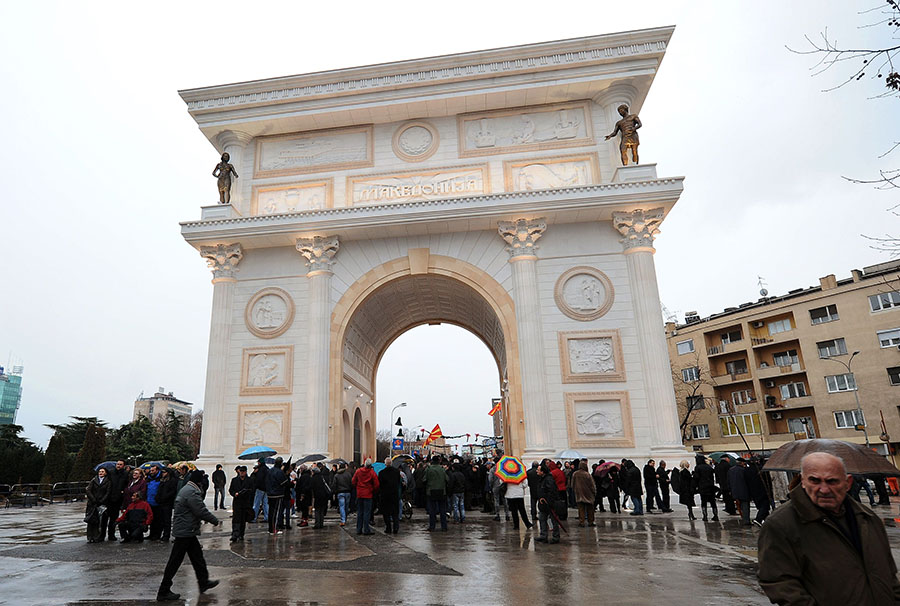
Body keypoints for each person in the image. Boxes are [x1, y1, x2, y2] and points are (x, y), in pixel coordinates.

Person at [758, 452, 900, 605]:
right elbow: (779, 583)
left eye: (832, 481)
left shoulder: (868, 519)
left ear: (848, 483)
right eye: (815, 480)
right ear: (803, 481)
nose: (824, 489)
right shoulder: (781, 523)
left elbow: (889, 575)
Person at [156, 470, 220, 602]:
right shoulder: (191, 492)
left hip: (187, 530)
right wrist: (215, 520)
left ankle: (203, 582)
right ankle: (163, 590)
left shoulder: (188, 488)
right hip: (185, 531)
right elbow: (200, 510)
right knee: (175, 561)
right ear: (199, 481)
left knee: (198, 558)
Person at [535, 460, 561, 544]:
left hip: (548, 503)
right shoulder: (542, 479)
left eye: (538, 470)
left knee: (553, 520)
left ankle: (556, 537)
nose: (537, 471)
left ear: (543, 472)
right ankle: (543, 536)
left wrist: (548, 501)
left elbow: (552, 491)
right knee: (542, 519)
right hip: (543, 503)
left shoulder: (548, 479)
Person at [351, 458, 379, 535]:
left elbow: (353, 481)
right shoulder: (372, 473)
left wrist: (358, 487)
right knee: (367, 512)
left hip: (359, 494)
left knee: (360, 512)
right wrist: (372, 489)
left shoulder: (358, 471)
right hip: (368, 495)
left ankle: (358, 529)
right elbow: (376, 484)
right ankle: (366, 529)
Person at [85, 467, 111, 543]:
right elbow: (88, 490)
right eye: (100, 471)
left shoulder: (108, 481)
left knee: (100, 521)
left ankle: (97, 536)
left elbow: (108, 492)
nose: (101, 473)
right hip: (92, 503)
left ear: (105, 473)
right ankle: (90, 537)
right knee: (91, 519)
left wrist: (102, 500)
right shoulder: (94, 480)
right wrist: (93, 499)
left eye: (103, 471)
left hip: (102, 503)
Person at [228, 465, 254, 542]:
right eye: (240, 471)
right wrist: (234, 494)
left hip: (245, 502)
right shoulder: (234, 480)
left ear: (245, 472)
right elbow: (231, 490)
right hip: (237, 502)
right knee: (236, 519)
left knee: (243, 519)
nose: (241, 473)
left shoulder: (249, 480)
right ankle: (235, 534)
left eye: (243, 472)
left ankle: (241, 534)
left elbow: (252, 491)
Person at [424, 455, 449, 531]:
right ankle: (444, 527)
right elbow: (447, 479)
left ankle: (432, 527)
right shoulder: (442, 469)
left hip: (431, 491)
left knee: (432, 511)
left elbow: (424, 479)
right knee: (442, 510)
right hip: (442, 491)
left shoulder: (428, 469)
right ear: (439, 461)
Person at [378, 458, 402, 533]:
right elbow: (398, 482)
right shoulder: (397, 472)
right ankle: (395, 528)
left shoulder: (381, 473)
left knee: (386, 513)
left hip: (385, 495)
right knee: (395, 513)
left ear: (385, 464)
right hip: (394, 494)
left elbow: (380, 485)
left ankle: (388, 528)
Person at [106, 460, 128, 541]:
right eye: (118, 464)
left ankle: (113, 535)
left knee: (115, 518)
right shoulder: (111, 472)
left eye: (120, 464)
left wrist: (123, 491)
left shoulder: (125, 474)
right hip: (110, 498)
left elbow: (126, 484)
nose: (118, 466)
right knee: (109, 518)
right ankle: (109, 534)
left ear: (123, 465)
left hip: (119, 498)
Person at [693, 454, 719, 522]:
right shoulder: (709, 467)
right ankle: (715, 515)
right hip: (710, 486)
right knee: (713, 502)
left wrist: (694, 486)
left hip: (703, 487)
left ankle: (705, 516)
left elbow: (696, 478)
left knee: (704, 502)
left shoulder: (698, 467)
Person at [265, 457, 287, 535]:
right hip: (277, 494)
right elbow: (284, 482)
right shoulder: (279, 472)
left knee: (271, 512)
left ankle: (271, 528)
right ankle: (274, 528)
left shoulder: (269, 471)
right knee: (277, 512)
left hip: (270, 494)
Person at [156, 468, 179, 542]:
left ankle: (166, 535)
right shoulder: (162, 480)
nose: (162, 474)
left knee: (166, 520)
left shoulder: (172, 481)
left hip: (167, 502)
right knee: (160, 520)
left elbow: (172, 492)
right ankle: (160, 534)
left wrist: (164, 497)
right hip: (161, 502)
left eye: (164, 472)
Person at [728, 458, 752, 527]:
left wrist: (730, 490)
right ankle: (746, 520)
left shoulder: (731, 470)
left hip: (735, 491)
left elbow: (728, 481)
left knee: (739, 505)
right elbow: (748, 481)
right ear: (742, 463)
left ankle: (743, 518)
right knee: (745, 506)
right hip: (744, 490)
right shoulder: (744, 470)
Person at [572, 460, 596, 527]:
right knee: (590, 509)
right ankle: (590, 521)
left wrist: (575, 490)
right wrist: (594, 492)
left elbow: (572, 484)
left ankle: (581, 522)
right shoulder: (587, 475)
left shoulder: (575, 474)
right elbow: (592, 485)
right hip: (588, 494)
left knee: (581, 509)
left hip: (579, 493)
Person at [332, 463, 352, 527]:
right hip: (348, 492)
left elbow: (334, 484)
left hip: (340, 492)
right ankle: (345, 518)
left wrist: (334, 492)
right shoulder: (348, 474)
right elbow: (351, 483)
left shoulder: (337, 475)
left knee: (342, 506)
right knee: (346, 506)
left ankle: (343, 520)